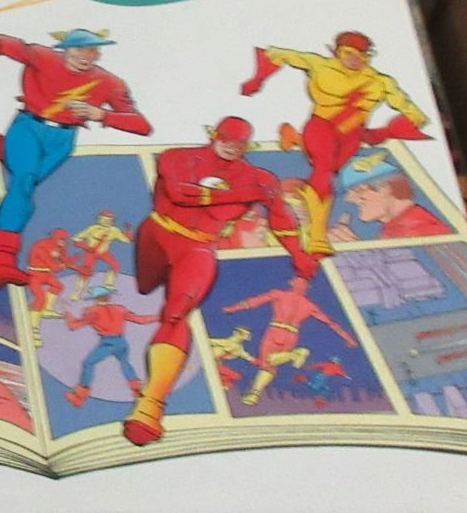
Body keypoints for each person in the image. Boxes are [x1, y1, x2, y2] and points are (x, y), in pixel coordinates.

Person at [120, 116, 317, 446]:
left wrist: (298, 253)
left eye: (238, 143)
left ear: (247, 146)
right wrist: (246, 194)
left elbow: (281, 217)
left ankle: (150, 407)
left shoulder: (259, 178)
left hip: (198, 248)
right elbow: (180, 194)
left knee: (176, 312)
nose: (230, 146)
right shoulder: (178, 158)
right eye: (225, 138)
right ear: (213, 134)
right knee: (144, 287)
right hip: (157, 234)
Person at [0, 28, 150, 289]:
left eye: (93, 50)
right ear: (66, 49)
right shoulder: (42, 56)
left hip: (62, 141)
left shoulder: (109, 83)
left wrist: (101, 115)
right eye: (80, 49)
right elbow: (0, 42)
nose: (86, 56)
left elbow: (142, 125)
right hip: (28, 127)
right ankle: (1, 260)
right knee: (23, 183)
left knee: (25, 187)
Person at [240, 30, 430, 258]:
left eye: (360, 55)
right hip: (321, 127)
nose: (354, 59)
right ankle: (318, 237)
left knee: (328, 171)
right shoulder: (319, 65)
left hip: (351, 136)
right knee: (322, 171)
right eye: (348, 53)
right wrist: (257, 80)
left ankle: (294, 138)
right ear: (336, 51)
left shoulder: (380, 82)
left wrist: (386, 131)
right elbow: (274, 54)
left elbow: (414, 114)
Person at [222, 275, 357, 405]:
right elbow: (330, 323)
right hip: (291, 334)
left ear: (292, 283)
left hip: (275, 330)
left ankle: (257, 391)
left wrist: (232, 308)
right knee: (270, 364)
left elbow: (254, 302)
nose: (300, 284)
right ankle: (255, 393)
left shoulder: (279, 294)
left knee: (267, 363)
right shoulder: (309, 305)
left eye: (301, 282)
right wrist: (347, 338)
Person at [61, 281, 157, 405]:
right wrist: (159, 317)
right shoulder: (119, 309)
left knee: (88, 363)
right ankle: (137, 389)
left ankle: (79, 396)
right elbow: (141, 320)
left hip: (108, 343)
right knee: (125, 363)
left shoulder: (92, 311)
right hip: (121, 342)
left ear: (95, 299)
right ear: (108, 296)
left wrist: (67, 312)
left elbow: (73, 326)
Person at [329, 157, 449, 243]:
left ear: (386, 188)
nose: (349, 199)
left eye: (358, 190)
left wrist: (355, 250)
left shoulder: (420, 229)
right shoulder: (394, 228)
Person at [69, 209, 132, 300]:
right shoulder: (92, 229)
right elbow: (76, 239)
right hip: (90, 253)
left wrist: (128, 231)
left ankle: (108, 284)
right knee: (85, 272)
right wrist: (86, 247)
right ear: (99, 219)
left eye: (109, 219)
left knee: (115, 265)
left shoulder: (114, 230)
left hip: (103, 253)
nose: (107, 221)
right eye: (104, 219)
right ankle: (77, 293)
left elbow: (126, 240)